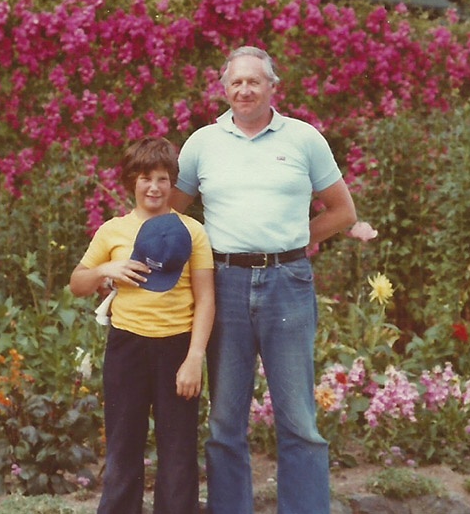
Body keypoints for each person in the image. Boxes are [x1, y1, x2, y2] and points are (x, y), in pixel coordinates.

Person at [170, 46, 358, 514]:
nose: (245, 90)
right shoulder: (202, 144)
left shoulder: (304, 139)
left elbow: (343, 212)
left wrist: (290, 241)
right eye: (236, 82)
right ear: (224, 89)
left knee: (298, 421)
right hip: (224, 285)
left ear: (273, 86)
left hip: (287, 283)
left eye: (254, 81)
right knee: (224, 422)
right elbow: (170, 213)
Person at [70, 136, 215, 514]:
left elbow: (206, 299)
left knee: (179, 450)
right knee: (123, 446)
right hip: (127, 348)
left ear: (172, 183)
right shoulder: (112, 230)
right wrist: (106, 269)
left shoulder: (192, 231)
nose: (154, 187)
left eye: (163, 179)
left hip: (177, 349)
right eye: (146, 178)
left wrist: (194, 358)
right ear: (132, 181)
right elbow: (77, 283)